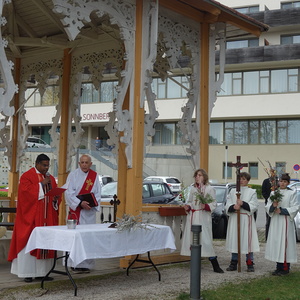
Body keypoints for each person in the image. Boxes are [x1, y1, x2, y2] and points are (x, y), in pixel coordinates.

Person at [8, 154, 60, 282]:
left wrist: (56, 198)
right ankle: (27, 273)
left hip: (46, 219)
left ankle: (42, 273)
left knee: (45, 243)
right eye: (44, 165)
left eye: (48, 165)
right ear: (36, 163)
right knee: (29, 242)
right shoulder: (27, 176)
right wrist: (41, 185)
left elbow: (54, 200)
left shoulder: (51, 178)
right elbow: (24, 195)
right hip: (31, 218)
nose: (46, 168)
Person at [180, 168, 224, 273]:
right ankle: (195, 263)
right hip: (193, 216)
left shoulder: (209, 189)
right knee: (193, 239)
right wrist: (188, 207)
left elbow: (213, 203)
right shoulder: (193, 189)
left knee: (205, 240)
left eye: (199, 175)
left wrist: (206, 206)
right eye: (196, 175)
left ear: (204, 177)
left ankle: (215, 263)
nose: (197, 177)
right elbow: (190, 201)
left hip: (203, 217)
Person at [64, 154, 101, 273]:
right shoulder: (73, 175)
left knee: (87, 238)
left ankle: (86, 264)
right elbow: (69, 193)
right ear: (79, 163)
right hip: (77, 211)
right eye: (82, 162)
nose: (84, 165)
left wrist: (92, 204)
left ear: (91, 164)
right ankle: (74, 263)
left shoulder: (94, 176)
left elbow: (98, 194)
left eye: (87, 162)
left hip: (89, 213)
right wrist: (80, 203)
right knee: (75, 237)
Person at [265, 173, 299, 276]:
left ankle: (285, 268)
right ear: (278, 182)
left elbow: (295, 207)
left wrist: (283, 210)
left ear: (288, 183)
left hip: (285, 221)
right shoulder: (274, 193)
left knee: (285, 243)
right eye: (281, 181)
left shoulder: (292, 193)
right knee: (277, 243)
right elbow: (268, 206)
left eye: (284, 181)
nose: (282, 183)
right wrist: (273, 206)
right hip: (276, 221)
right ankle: (278, 267)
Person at [225, 172, 259, 272]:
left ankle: (249, 262)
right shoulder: (232, 191)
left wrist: (243, 204)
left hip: (245, 218)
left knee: (247, 240)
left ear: (248, 180)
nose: (242, 181)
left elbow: (254, 205)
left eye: (244, 179)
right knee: (235, 239)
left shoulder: (252, 191)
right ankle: (234, 262)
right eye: (240, 179)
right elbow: (227, 204)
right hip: (235, 217)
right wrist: (233, 207)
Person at [261, 168, 277, 240]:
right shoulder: (266, 181)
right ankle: (267, 237)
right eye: (272, 172)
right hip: (268, 202)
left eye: (274, 172)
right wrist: (269, 198)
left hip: (277, 203)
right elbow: (263, 192)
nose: (273, 173)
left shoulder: (278, 181)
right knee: (268, 220)